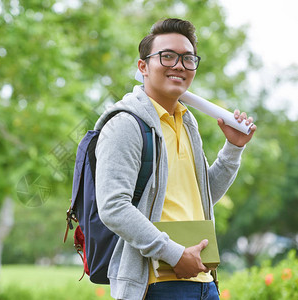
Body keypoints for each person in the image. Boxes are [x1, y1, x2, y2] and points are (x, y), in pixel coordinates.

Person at [94, 18, 256, 300]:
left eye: (188, 58)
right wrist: (174, 253)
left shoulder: (187, 121)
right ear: (142, 66)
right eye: (167, 56)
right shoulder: (125, 124)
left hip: (204, 281)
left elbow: (205, 194)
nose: (179, 65)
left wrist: (233, 147)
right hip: (155, 284)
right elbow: (112, 206)